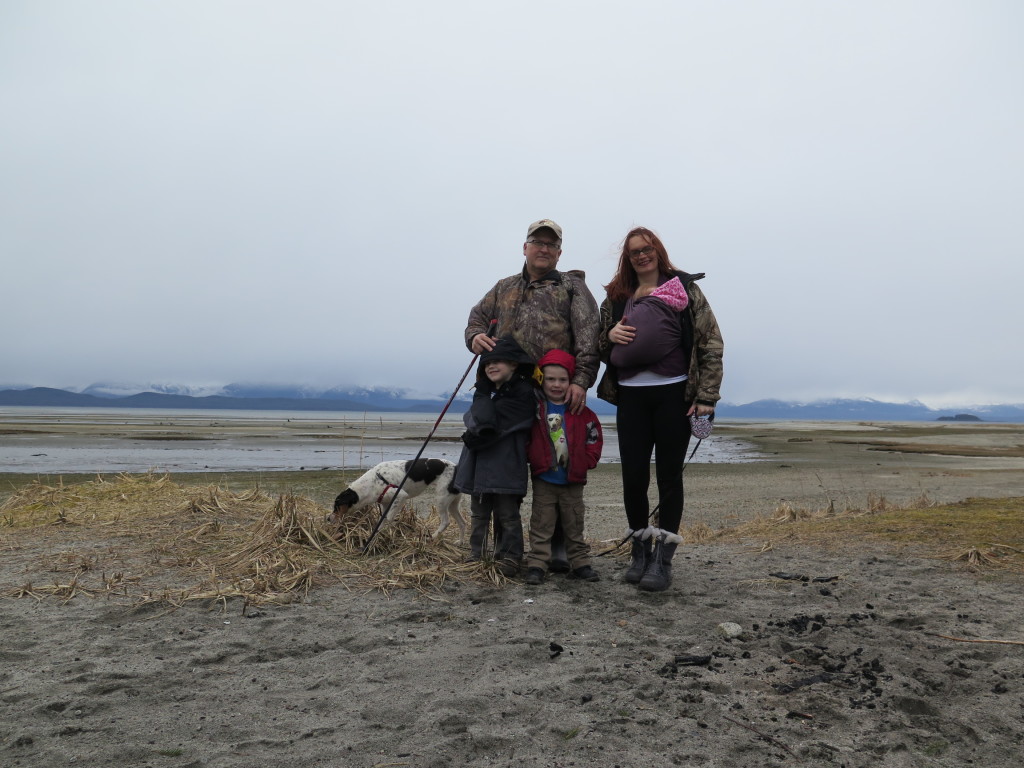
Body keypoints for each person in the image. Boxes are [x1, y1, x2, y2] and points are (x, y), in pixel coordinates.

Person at [465, 218, 600, 571]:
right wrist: (474, 336)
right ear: (524, 247)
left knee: (554, 466)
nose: (543, 249)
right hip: (508, 394)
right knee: (507, 464)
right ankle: (504, 550)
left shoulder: (572, 288)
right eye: (536, 242)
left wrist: (581, 381)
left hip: (554, 393)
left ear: (559, 252)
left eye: (550, 244)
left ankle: (556, 547)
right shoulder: (503, 287)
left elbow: (590, 338)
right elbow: (476, 318)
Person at [597, 227, 724, 592]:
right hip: (631, 397)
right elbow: (596, 341)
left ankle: (662, 559)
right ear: (628, 257)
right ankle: (639, 550)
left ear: (658, 251)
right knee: (633, 477)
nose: (642, 255)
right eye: (635, 251)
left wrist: (707, 396)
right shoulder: (618, 297)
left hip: (675, 396)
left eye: (647, 248)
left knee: (670, 477)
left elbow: (710, 341)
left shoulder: (685, 289)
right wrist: (608, 337)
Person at [453, 337, 537, 577]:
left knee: (508, 515)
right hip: (481, 465)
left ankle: (510, 557)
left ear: (514, 364)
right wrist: (480, 401)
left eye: (498, 361)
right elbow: (472, 419)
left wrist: (477, 420)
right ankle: (476, 554)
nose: (491, 366)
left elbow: (491, 422)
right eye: (487, 362)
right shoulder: (489, 393)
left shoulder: (523, 394)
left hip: (506, 464)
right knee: (479, 513)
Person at [523, 349, 603, 585]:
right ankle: (537, 564)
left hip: (573, 480)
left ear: (572, 381)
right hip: (544, 479)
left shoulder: (582, 411)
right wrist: (532, 457)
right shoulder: (535, 411)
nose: (556, 385)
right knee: (541, 523)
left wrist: (587, 461)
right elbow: (526, 439)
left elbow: (594, 438)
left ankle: (580, 562)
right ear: (541, 379)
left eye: (562, 379)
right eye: (550, 379)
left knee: (574, 523)